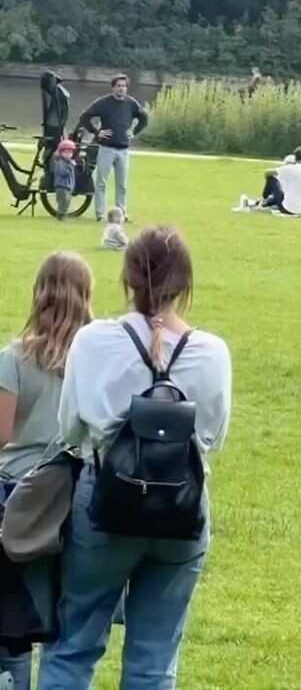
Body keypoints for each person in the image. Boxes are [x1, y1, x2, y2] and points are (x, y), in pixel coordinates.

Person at [38, 226, 232, 690]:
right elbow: (213, 437)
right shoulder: (213, 352)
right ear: (185, 284)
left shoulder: (92, 341)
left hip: (105, 502)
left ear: (127, 278)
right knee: (154, 659)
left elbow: (69, 429)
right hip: (182, 507)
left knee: (73, 647)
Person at [0, 252, 94, 690]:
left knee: (14, 626)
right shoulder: (95, 359)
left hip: (20, 498)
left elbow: (1, 434)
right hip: (77, 493)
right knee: (66, 623)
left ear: (39, 293)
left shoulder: (14, 358)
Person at [75, 74, 148, 223]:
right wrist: (97, 132)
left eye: (124, 86)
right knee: (101, 183)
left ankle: (121, 214)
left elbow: (144, 118)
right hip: (106, 149)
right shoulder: (103, 103)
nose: (121, 89)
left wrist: (134, 132)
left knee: (122, 185)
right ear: (113, 87)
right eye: (119, 86)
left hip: (123, 150)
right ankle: (100, 214)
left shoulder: (131, 103)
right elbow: (84, 116)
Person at [52, 139, 77, 220]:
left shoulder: (69, 162)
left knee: (67, 201)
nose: (68, 155)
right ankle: (61, 215)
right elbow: (63, 173)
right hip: (61, 185)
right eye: (65, 152)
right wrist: (70, 166)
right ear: (61, 153)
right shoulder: (60, 163)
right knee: (63, 201)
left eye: (70, 152)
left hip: (68, 186)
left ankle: (63, 214)